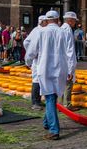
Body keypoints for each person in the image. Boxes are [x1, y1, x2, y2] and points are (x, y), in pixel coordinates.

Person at [29, 10, 75, 140]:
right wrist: (71, 70)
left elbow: (31, 50)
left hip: (45, 69)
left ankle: (54, 130)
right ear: (57, 19)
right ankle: (46, 122)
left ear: (47, 20)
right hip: (61, 69)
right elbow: (70, 52)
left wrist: (28, 62)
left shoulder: (41, 32)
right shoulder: (64, 32)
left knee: (49, 97)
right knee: (52, 97)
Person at [24, 15, 47, 108]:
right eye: (46, 21)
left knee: (41, 80)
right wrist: (31, 56)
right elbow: (27, 43)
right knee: (37, 80)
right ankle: (35, 103)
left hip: (42, 59)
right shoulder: (37, 31)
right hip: (37, 60)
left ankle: (38, 100)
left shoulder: (42, 30)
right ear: (42, 22)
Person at [60, 12, 80, 107]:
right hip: (67, 61)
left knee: (61, 83)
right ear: (70, 20)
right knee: (68, 83)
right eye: (75, 21)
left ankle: (60, 103)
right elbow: (70, 50)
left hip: (60, 61)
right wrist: (71, 69)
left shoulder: (60, 29)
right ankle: (66, 104)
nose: (75, 23)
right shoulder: (68, 31)